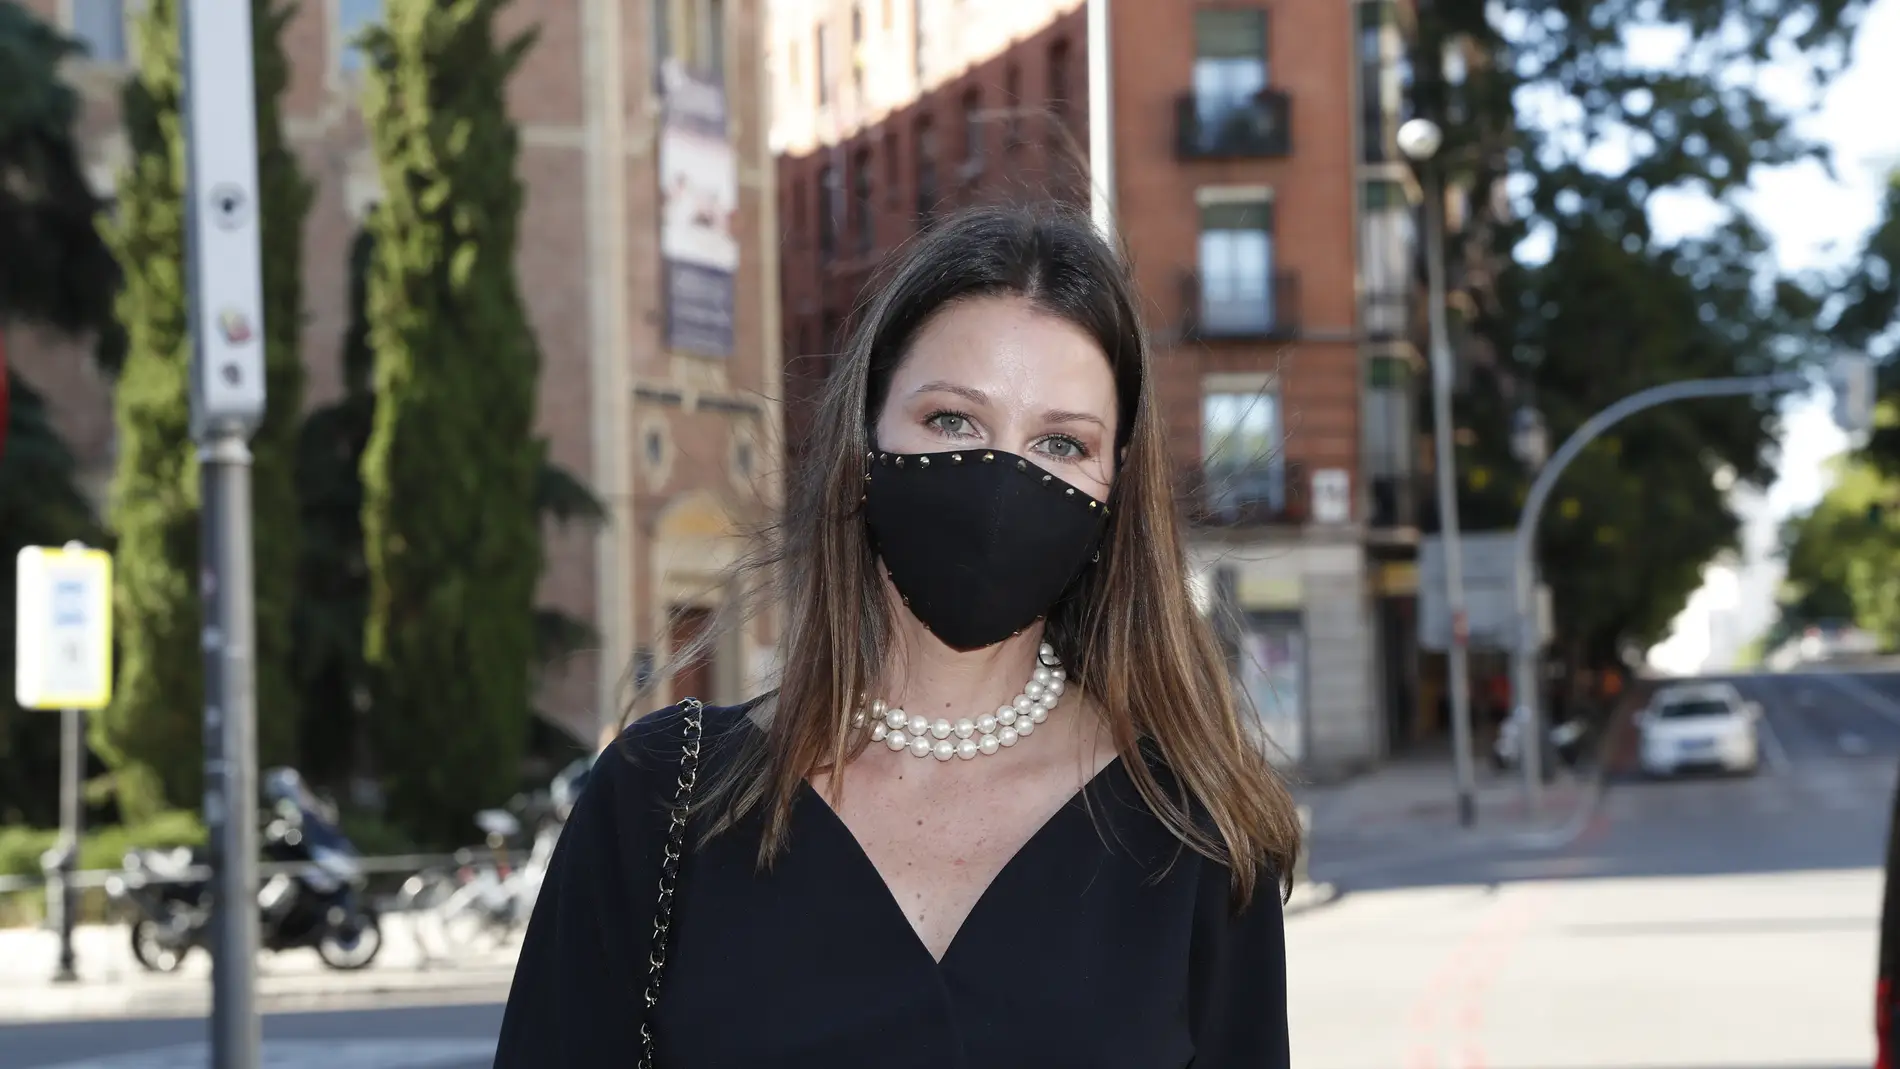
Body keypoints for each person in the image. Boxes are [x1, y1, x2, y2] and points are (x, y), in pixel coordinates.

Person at [493, 204, 1304, 1068]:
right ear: (863, 439)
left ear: (1115, 493)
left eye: (1061, 442)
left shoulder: (1197, 835)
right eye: (952, 421)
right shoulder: (659, 801)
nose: (1002, 479)